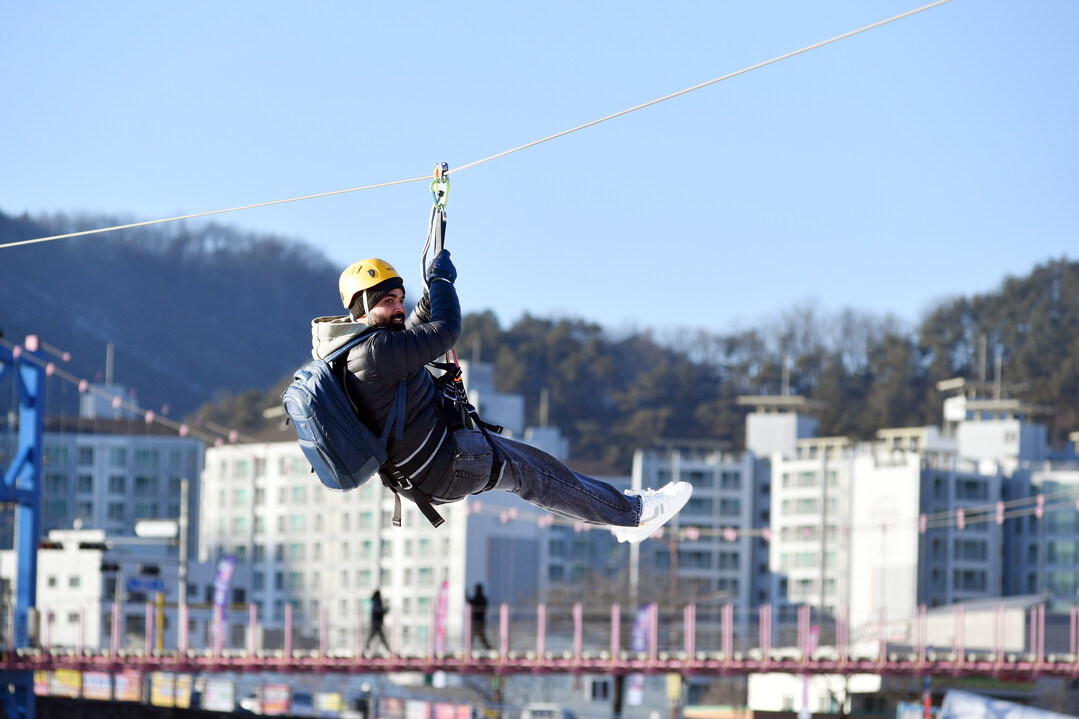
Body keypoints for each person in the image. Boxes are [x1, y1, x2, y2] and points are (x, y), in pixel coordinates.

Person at [310, 251, 691, 542]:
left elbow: (414, 332)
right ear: (362, 308)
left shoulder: (351, 352)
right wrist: (442, 281)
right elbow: (445, 331)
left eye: (399, 298)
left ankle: (623, 515)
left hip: (427, 471)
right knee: (536, 472)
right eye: (387, 301)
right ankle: (632, 515)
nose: (398, 308)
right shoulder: (376, 353)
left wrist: (429, 295)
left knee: (533, 472)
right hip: (446, 464)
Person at [364, 589, 391, 655]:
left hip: (376, 623)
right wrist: (385, 610)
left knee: (375, 637)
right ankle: (388, 650)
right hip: (377, 623)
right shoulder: (377, 602)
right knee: (380, 637)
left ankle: (366, 649)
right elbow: (379, 611)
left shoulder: (375, 601)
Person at [466, 583, 491, 650]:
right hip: (481, 620)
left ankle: (468, 648)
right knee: (480, 636)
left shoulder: (477, 598)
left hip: (475, 621)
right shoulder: (483, 599)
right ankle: (488, 648)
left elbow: (470, 602)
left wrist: (466, 594)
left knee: (474, 635)